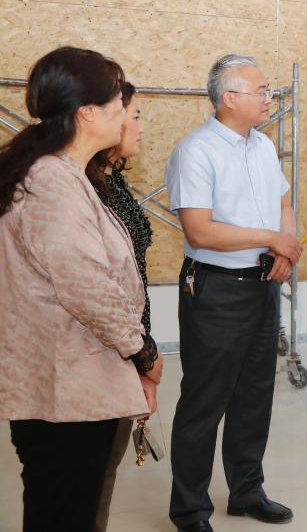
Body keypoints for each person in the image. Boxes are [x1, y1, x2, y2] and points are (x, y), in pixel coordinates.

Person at [0, 46, 160, 531]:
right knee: (64, 512)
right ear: (87, 113)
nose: (125, 115)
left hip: (68, 384)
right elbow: (86, 285)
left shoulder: (61, 174)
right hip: (65, 394)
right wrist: (142, 350)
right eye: (118, 104)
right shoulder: (52, 181)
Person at [165, 54, 302, 532]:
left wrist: (284, 248)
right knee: (204, 402)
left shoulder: (263, 146)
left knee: (254, 397)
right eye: (261, 91)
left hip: (264, 283)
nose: (270, 98)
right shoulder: (195, 151)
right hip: (216, 290)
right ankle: (190, 510)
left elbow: (284, 202)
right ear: (229, 98)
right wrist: (271, 239)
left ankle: (246, 491)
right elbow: (200, 231)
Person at [89, 81, 155, 531]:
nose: (140, 126)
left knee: (102, 471)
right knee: (89, 477)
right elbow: (98, 290)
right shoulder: (86, 190)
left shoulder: (111, 181)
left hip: (127, 345)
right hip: (107, 350)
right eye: (133, 115)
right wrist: (143, 355)